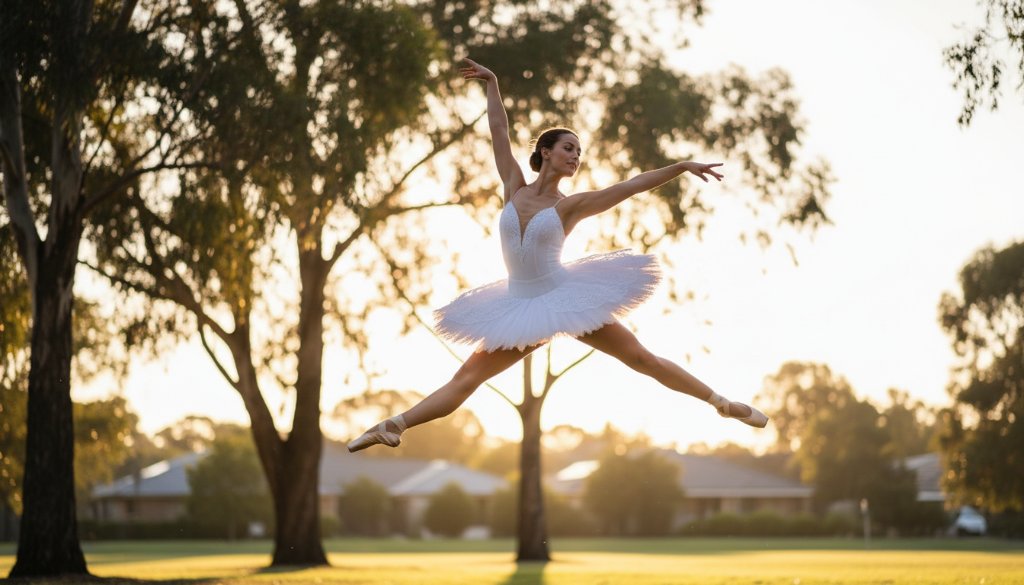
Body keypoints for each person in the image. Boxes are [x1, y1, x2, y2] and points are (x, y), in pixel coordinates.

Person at [348, 58, 767, 452]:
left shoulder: (570, 206)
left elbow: (631, 186)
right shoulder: (513, 186)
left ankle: (721, 402)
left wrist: (680, 166)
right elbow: (498, 132)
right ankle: (393, 425)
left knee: (640, 357)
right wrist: (492, 84)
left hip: (564, 297)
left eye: (579, 153)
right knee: (467, 378)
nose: (576, 157)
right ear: (546, 152)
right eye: (569, 148)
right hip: (517, 306)